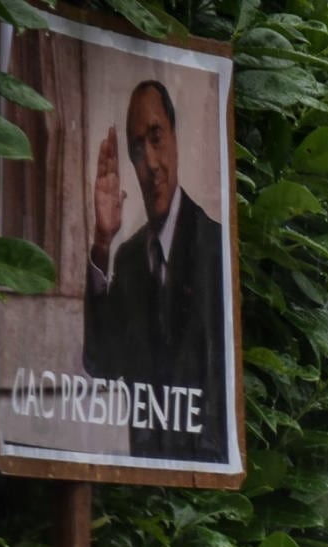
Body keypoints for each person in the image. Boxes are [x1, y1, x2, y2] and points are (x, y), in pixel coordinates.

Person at [83, 78, 229, 464]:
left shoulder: (214, 247)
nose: (149, 163)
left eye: (156, 137)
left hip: (204, 484)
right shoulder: (129, 260)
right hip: (147, 483)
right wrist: (102, 242)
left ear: (176, 137)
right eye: (136, 147)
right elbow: (101, 363)